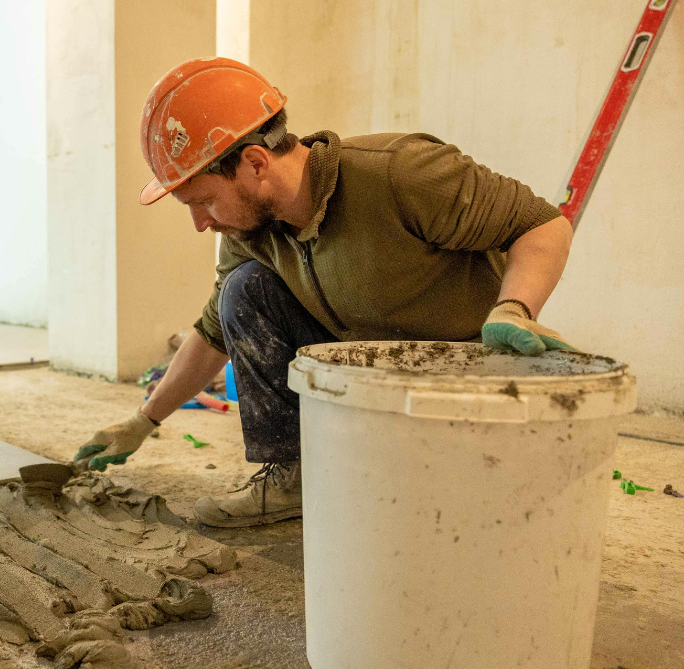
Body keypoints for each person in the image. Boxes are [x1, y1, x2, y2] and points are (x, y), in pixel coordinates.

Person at [74, 57, 575, 528]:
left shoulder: (400, 172)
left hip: (456, 373)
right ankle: (293, 476)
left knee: (452, 509)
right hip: (365, 370)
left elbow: (541, 225)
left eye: (203, 200)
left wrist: (515, 307)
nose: (200, 223)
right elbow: (212, 333)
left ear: (254, 162)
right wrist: (143, 421)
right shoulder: (249, 232)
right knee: (243, 292)